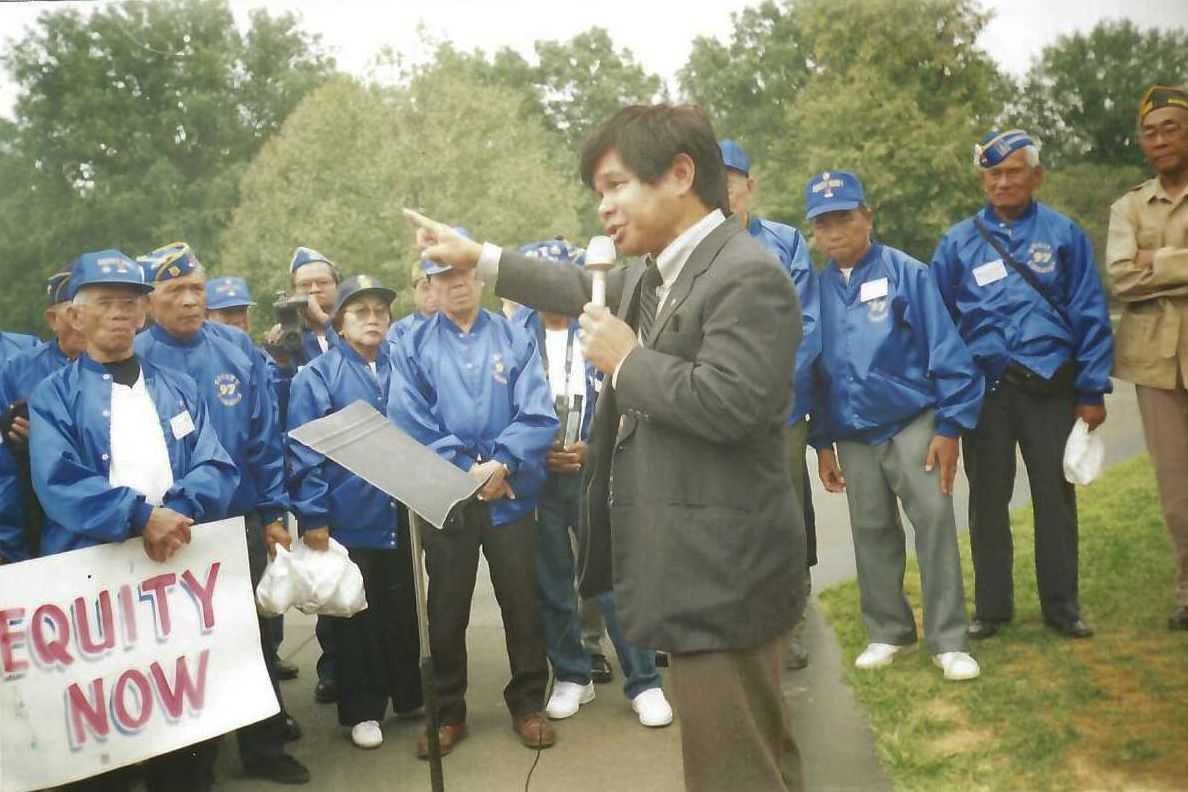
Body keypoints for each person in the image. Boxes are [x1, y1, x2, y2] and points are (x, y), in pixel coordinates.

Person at [403, 103, 808, 792]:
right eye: (599, 194)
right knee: (748, 756)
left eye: (616, 185)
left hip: (725, 580)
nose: (605, 210)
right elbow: (572, 285)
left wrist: (627, 362)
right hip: (697, 570)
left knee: (736, 766)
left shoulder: (746, 275)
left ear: (680, 174)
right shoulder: (660, 273)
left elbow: (734, 405)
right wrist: (480, 258)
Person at [28, 249, 239, 792]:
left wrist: (181, 511)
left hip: (177, 576)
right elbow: (60, 484)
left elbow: (215, 461)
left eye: (130, 303)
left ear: (144, 313)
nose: (121, 314)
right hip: (99, 586)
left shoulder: (178, 389)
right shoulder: (54, 398)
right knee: (110, 732)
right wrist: (140, 516)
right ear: (76, 316)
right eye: (105, 303)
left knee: (186, 717)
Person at [133, 245, 310, 784]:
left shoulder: (235, 348)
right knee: (185, 650)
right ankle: (194, 763)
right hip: (173, 533)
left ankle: (262, 747)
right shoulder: (137, 356)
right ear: (149, 301)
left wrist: (274, 510)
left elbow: (262, 436)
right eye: (174, 292)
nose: (189, 302)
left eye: (197, 291)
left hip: (240, 524)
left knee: (255, 638)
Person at [932, 129, 1114, 640]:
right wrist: (947, 393)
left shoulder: (1063, 234)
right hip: (986, 393)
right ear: (983, 180)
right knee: (987, 501)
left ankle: (1061, 606)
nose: (1004, 181)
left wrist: (1092, 389)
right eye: (994, 173)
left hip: (1050, 386)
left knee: (1054, 500)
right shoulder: (957, 243)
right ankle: (992, 609)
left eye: (1014, 171)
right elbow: (940, 324)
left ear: (1037, 175)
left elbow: (1089, 311)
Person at [807, 170, 983, 682]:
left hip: (913, 423)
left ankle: (949, 640)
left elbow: (947, 352)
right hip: (852, 433)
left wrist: (950, 426)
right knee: (871, 531)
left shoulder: (907, 273)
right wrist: (821, 442)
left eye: (845, 217)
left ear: (867, 217)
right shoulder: (814, 291)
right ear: (814, 231)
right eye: (823, 222)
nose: (835, 230)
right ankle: (888, 630)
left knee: (933, 522)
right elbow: (812, 371)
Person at [387, 254, 559, 758]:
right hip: (448, 496)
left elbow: (537, 407)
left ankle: (528, 703)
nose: (455, 286)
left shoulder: (513, 336)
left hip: (509, 491)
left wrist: (503, 463)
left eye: (462, 275)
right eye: (443, 279)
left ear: (478, 279)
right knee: (446, 606)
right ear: (430, 287)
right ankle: (447, 712)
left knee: (522, 602)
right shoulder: (411, 342)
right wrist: (466, 468)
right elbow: (408, 416)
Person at [514, 239, 672, 728]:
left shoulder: (603, 328)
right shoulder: (515, 336)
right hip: (539, 476)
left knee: (611, 577)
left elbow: (631, 394)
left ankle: (644, 681)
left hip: (594, 469)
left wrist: (591, 447)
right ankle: (571, 675)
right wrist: (535, 449)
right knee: (553, 579)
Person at [288, 274, 423, 750]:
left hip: (400, 512)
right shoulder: (318, 376)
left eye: (381, 312)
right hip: (349, 515)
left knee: (401, 607)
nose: (373, 320)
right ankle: (363, 710)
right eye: (360, 312)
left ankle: (408, 695)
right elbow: (304, 453)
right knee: (353, 617)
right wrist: (314, 518)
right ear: (340, 321)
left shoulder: (401, 367)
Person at [720, 138, 821, 670]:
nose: (724, 192)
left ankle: (789, 621)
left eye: (732, 182)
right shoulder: (695, 248)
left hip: (778, 410)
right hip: (716, 411)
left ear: (749, 188)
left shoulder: (783, 243)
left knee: (784, 514)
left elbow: (806, 326)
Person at [1106, 85, 1188, 631]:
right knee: (1177, 489)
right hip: (1157, 364)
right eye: (1151, 131)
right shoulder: (1128, 205)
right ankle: (1187, 591)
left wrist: (1152, 258)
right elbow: (1118, 275)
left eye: (1171, 127)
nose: (1160, 139)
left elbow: (1139, 271)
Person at [206, 273, 299, 679]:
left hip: (249, 497)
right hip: (208, 507)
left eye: (242, 314)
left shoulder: (253, 356)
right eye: (228, 315)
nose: (238, 322)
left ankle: (271, 661)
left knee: (262, 594)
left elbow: (273, 422)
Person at [266, 245, 342, 703]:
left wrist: (327, 327)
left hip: (363, 471)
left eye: (322, 282)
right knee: (326, 578)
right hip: (315, 472)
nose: (314, 291)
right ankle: (333, 666)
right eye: (304, 286)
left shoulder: (350, 327)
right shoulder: (287, 339)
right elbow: (279, 409)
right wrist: (278, 358)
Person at [0, 272, 81, 563]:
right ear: (53, 318)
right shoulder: (19, 366)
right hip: (37, 519)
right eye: (73, 310)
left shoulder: (129, 364)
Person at [386, 259, 438, 345]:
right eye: (425, 288)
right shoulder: (400, 330)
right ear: (414, 291)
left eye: (437, 288)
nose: (433, 294)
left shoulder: (458, 325)